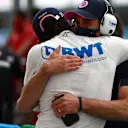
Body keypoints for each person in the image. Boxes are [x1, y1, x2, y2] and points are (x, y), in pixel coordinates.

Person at [17, 2, 128, 128]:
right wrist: (46, 70)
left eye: (86, 21)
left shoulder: (38, 50)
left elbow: (23, 106)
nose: (80, 26)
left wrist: (79, 103)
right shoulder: (113, 46)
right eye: (77, 21)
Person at [0, 47, 21, 124]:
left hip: (7, 82)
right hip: (7, 83)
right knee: (9, 104)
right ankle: (8, 124)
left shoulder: (11, 54)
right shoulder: (11, 54)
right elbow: (18, 74)